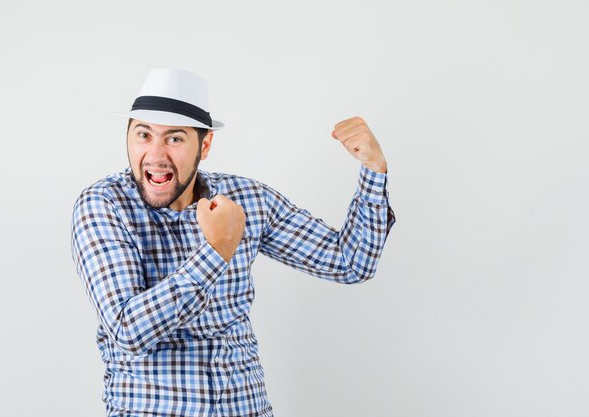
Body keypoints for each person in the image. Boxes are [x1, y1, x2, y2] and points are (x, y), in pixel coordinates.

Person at [70, 68, 396, 417]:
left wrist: (373, 171)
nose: (155, 154)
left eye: (175, 138)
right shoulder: (103, 205)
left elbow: (351, 263)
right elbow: (127, 330)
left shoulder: (246, 199)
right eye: (144, 135)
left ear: (205, 145)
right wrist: (216, 250)